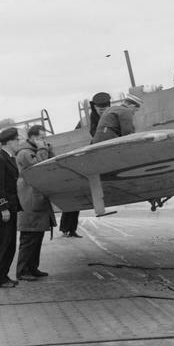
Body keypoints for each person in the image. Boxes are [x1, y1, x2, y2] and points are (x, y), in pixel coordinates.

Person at [61, 91, 111, 237]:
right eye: (99, 108)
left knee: (76, 196)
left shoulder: (112, 114)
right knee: (74, 194)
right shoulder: (91, 120)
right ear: (94, 107)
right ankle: (66, 229)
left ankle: (70, 229)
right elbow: (91, 134)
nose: (102, 109)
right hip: (89, 154)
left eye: (104, 107)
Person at [15, 125, 56, 280]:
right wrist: (42, 149)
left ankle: (32, 268)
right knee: (29, 238)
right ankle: (22, 271)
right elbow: (40, 167)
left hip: (36, 199)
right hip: (29, 201)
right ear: (32, 138)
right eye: (40, 137)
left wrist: (46, 149)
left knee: (37, 237)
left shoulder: (33, 151)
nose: (43, 140)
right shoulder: (25, 153)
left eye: (44, 137)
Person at [0, 127, 22, 288]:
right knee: (3, 245)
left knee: (9, 245)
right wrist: (4, 208)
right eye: (17, 140)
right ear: (9, 142)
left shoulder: (9, 158)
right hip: (5, 210)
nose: (19, 142)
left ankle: (3, 276)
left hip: (11, 208)